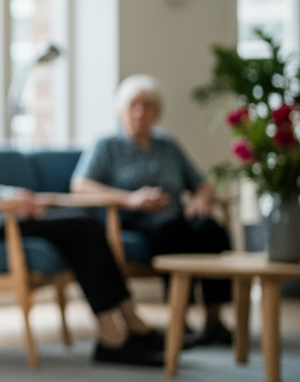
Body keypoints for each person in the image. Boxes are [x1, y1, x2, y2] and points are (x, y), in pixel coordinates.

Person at [0, 72, 164, 366]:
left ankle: (125, 326)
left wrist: (11, 196)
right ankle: (116, 334)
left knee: (81, 225)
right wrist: (5, 200)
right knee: (82, 226)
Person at [72, 74, 233, 346]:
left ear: (157, 112)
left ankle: (214, 318)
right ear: (121, 110)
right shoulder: (107, 145)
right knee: (172, 231)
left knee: (211, 228)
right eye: (134, 105)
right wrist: (130, 199)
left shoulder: (167, 145)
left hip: (175, 214)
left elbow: (202, 183)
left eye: (148, 106)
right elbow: (80, 185)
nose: (140, 112)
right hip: (134, 219)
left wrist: (200, 199)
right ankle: (180, 317)